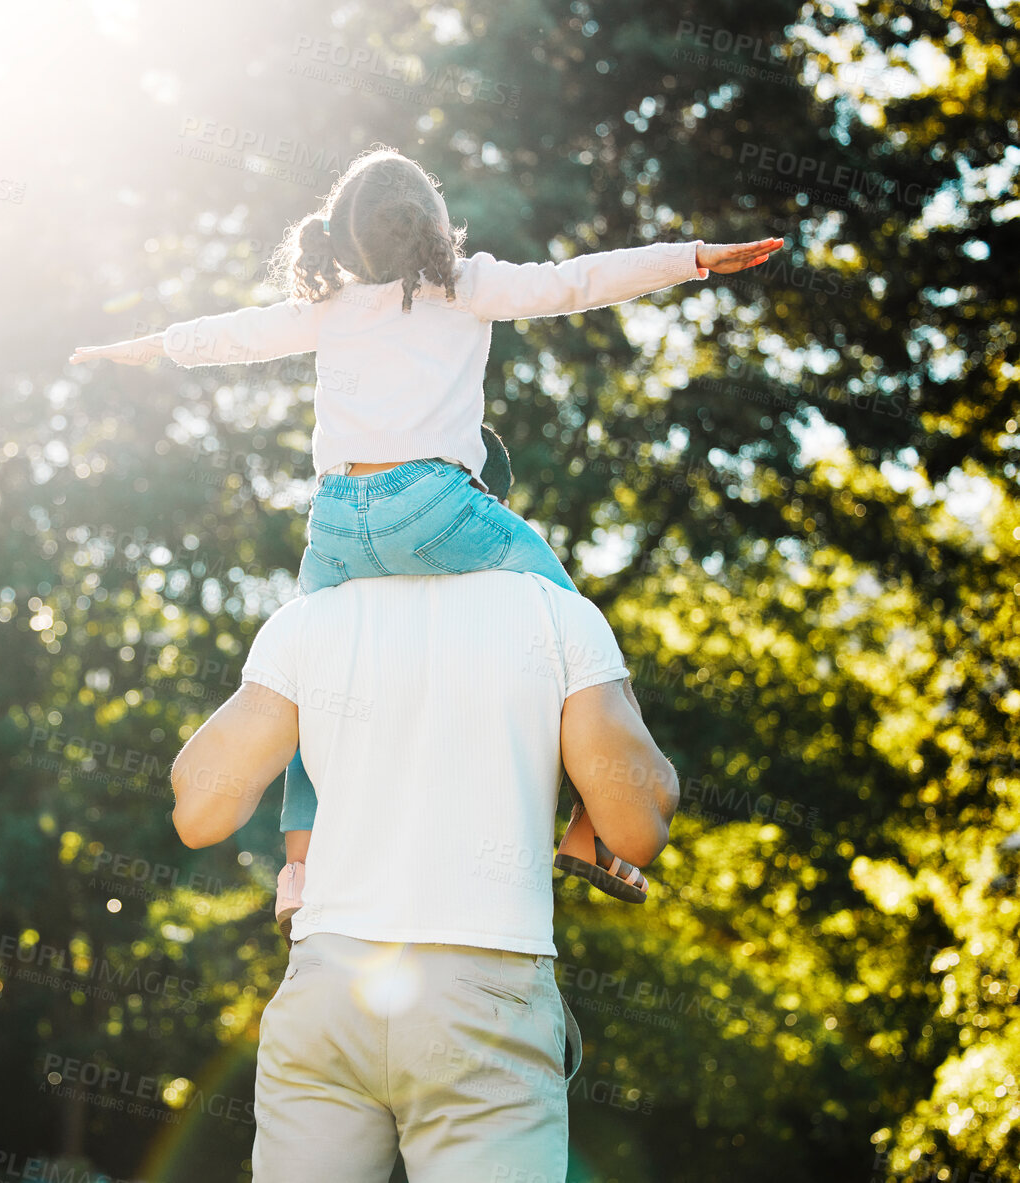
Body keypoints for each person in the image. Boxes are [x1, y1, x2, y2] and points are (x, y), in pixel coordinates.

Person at [70, 145, 779, 921]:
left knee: (308, 687)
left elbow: (233, 334)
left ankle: (300, 868)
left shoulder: (331, 305)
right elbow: (579, 280)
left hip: (337, 520)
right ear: (437, 226)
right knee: (574, 625)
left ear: (344, 242)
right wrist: (693, 258)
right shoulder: (465, 286)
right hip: (434, 504)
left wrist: (138, 346)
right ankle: (588, 826)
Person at [169, 567, 680, 1179]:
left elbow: (197, 814)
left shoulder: (306, 620)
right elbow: (638, 831)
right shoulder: (557, 611)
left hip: (329, 983)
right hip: (486, 986)